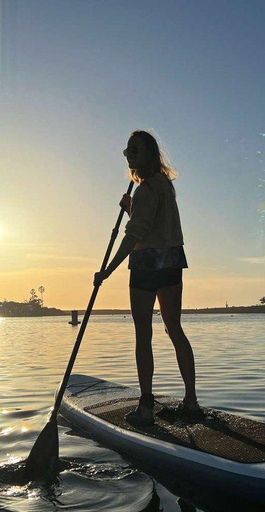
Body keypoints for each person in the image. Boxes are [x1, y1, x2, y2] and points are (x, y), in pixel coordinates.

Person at [94, 130, 202, 427]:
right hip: (171, 261)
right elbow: (150, 224)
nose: (130, 155)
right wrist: (132, 210)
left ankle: (145, 406)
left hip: (146, 263)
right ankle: (191, 400)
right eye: (127, 151)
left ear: (150, 154)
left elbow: (136, 236)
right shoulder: (163, 185)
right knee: (173, 329)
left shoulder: (146, 189)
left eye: (135, 150)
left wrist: (107, 270)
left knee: (144, 333)